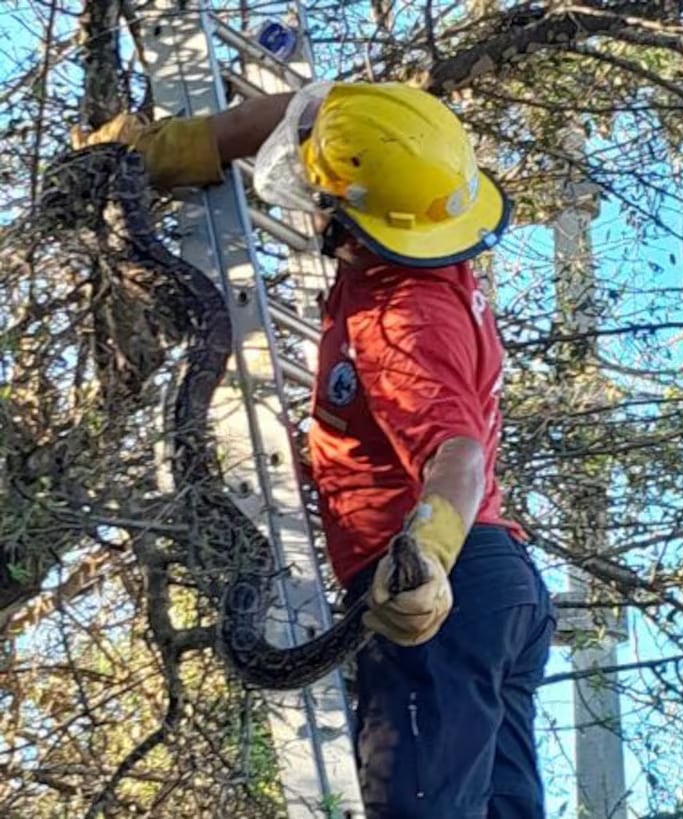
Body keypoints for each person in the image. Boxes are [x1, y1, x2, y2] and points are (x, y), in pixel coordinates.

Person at [80, 82, 555, 818]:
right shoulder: (410, 168)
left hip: (438, 595)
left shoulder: (405, 318)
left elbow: (457, 453)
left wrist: (426, 554)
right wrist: (179, 147)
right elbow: (309, 107)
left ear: (356, 222)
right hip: (500, 593)